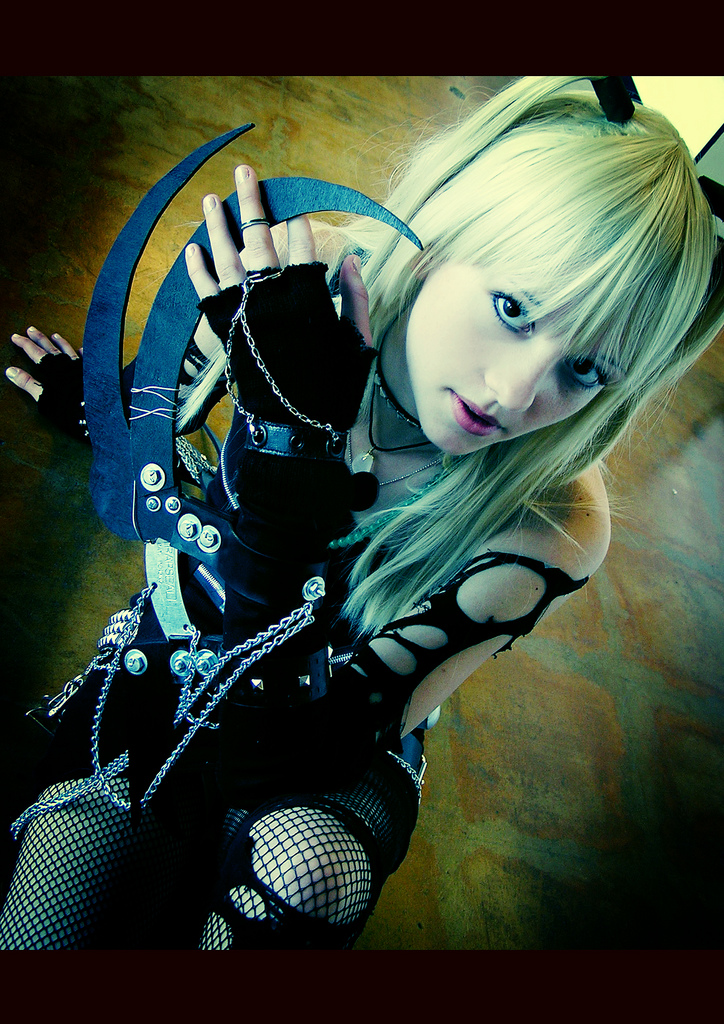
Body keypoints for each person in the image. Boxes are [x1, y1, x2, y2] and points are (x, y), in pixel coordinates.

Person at [1, 75, 722, 949]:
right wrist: (97, 409)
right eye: (513, 308)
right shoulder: (302, 291)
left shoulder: (553, 524)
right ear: (445, 228)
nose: (514, 392)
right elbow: (171, 401)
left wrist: (294, 462)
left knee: (303, 874)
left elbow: (281, 755)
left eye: (586, 370)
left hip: (331, 728)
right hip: (186, 646)